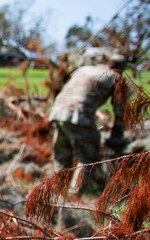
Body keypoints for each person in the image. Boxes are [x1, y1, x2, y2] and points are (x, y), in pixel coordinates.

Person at [48, 52, 127, 194]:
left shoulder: (84, 69)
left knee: (62, 154)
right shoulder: (115, 77)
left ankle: (56, 190)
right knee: (87, 155)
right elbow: (120, 110)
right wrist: (116, 137)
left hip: (57, 112)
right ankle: (75, 194)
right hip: (79, 115)